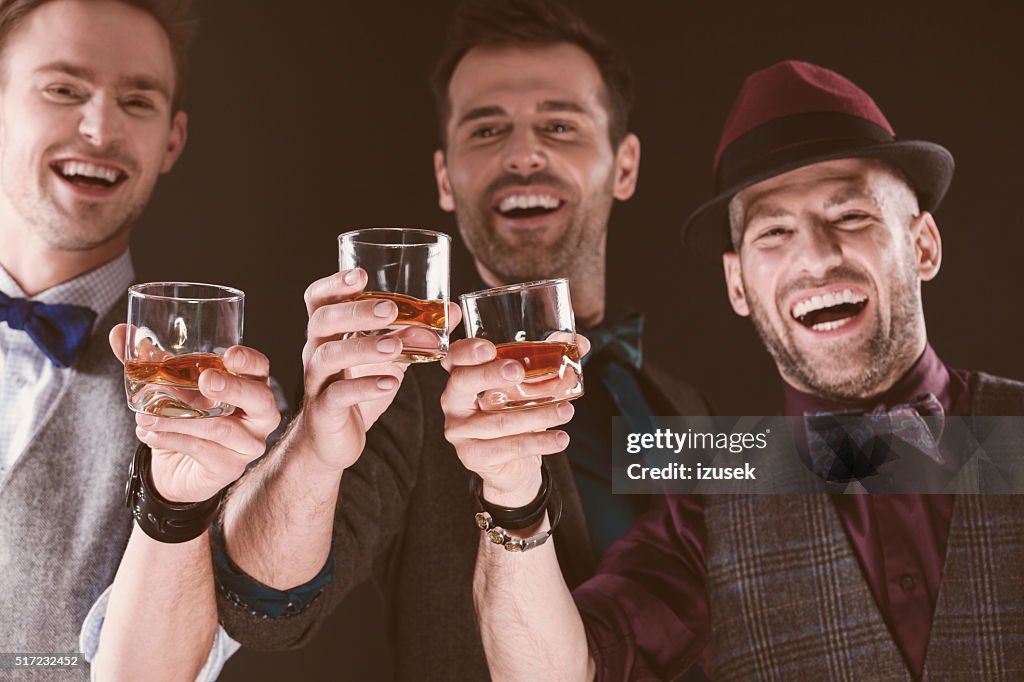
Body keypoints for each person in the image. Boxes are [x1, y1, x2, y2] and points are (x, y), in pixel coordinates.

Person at [454, 60, 1024, 680]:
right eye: (775, 231)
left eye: (852, 216)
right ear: (737, 284)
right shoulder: (707, 480)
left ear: (923, 245)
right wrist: (512, 495)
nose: (816, 254)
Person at [212, 0, 706, 678]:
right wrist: (310, 452)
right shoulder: (401, 387)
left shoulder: (678, 399)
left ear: (624, 166)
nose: (523, 154)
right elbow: (263, 609)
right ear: (446, 178)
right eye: (486, 129)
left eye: (560, 125)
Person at [0, 1, 281, 679]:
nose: (100, 128)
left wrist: (177, 505)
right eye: (63, 89)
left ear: (173, 141)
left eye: (137, 101)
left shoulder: (224, 411)